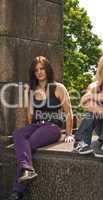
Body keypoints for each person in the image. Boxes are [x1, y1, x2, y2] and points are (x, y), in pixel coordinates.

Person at [6, 56, 73, 200]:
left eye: (42, 68)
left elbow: (69, 113)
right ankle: (27, 169)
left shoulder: (58, 87)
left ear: (47, 69)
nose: (39, 72)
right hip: (36, 125)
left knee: (27, 146)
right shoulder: (32, 90)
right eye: (36, 70)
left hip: (52, 127)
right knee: (17, 134)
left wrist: (68, 134)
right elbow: (29, 115)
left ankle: (17, 191)